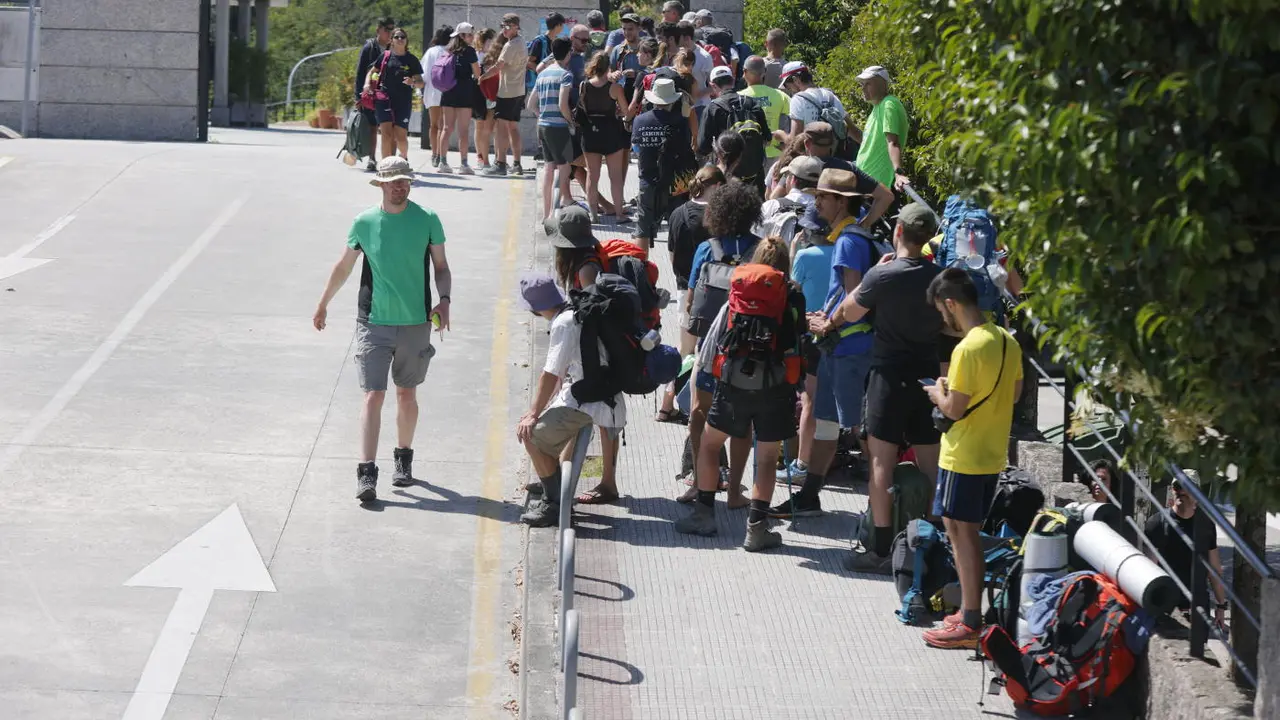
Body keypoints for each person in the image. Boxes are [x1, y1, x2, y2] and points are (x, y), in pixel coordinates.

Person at [312, 157, 452, 503]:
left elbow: (441, 266)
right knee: (373, 395)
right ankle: (367, 472)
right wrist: (323, 302)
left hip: (416, 321)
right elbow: (344, 266)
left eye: (405, 181)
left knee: (406, 394)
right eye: (393, 181)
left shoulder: (427, 219)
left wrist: (444, 300)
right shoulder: (364, 222)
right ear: (382, 184)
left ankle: (403, 458)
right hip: (373, 321)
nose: (400, 186)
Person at [675, 235, 805, 551]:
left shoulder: (740, 288)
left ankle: (704, 515)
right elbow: (797, 338)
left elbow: (719, 334)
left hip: (734, 382)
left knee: (709, 445)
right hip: (776, 385)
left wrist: (704, 374)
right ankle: (756, 529)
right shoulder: (793, 294)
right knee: (767, 457)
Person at [835, 204, 945, 572]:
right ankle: (933, 545)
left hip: (887, 376)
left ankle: (880, 549)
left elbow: (850, 312)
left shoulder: (883, 274)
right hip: (927, 377)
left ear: (897, 231)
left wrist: (870, 276)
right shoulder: (940, 279)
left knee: (881, 462)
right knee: (931, 464)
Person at [920, 267, 1023, 649]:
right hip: (991, 453)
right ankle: (969, 612)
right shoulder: (1006, 340)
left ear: (951, 304)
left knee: (960, 533)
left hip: (963, 454)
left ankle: (970, 620)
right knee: (968, 533)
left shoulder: (966, 348)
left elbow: (954, 409)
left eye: (941, 311)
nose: (943, 320)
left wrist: (938, 392)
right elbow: (1014, 393)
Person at [770, 169, 878, 519]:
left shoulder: (848, 241)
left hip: (848, 347)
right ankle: (809, 497)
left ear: (841, 202)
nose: (816, 202)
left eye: (822, 197)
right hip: (839, 346)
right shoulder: (850, 236)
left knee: (863, 430)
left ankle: (882, 510)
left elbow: (855, 296)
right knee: (829, 422)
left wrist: (828, 322)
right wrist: (826, 316)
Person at [515, 272, 625, 527]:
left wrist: (533, 414)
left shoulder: (563, 323)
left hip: (590, 400)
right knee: (541, 433)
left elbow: (550, 373)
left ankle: (554, 504)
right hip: (599, 394)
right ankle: (554, 488)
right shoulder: (575, 309)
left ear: (536, 307)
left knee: (531, 435)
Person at [678, 181, 763, 505]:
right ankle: (735, 491)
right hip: (748, 351)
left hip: (710, 349)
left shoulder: (707, 249)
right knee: (743, 423)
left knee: (699, 415)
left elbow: (690, 302)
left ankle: (700, 483)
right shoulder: (761, 250)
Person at [775, 156, 830, 480]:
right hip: (838, 330)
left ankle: (801, 462)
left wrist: (794, 252)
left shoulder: (806, 255)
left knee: (807, 399)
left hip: (808, 331)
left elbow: (791, 288)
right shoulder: (845, 250)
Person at [657, 165, 726, 423]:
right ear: (717, 186)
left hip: (684, 286)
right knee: (704, 350)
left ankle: (667, 405)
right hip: (712, 291)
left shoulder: (677, 213)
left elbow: (672, 254)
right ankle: (684, 405)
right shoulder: (717, 218)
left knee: (685, 350)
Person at [1144, 472, 1228, 630]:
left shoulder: (1206, 526)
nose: (1181, 491)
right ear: (1172, 490)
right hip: (1167, 608)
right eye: (1177, 486)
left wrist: (1221, 606)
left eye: (1187, 487)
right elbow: (1148, 570)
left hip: (1197, 607)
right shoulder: (1157, 523)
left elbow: (1214, 570)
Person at [631, 77, 691, 251]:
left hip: (648, 180)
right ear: (673, 100)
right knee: (676, 229)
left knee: (643, 229)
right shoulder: (681, 121)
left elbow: (636, 147)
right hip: (675, 183)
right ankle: (676, 266)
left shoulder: (640, 120)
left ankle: (641, 265)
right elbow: (686, 146)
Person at [698, 66, 770, 191]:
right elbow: (767, 138)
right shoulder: (751, 103)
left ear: (713, 85)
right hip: (755, 175)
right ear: (732, 81)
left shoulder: (712, 109)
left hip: (727, 177)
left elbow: (703, 146)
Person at [528, 37, 576, 221]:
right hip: (558, 127)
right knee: (564, 168)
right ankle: (556, 211)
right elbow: (563, 104)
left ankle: (545, 214)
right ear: (568, 53)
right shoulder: (566, 75)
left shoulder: (543, 74)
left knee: (548, 168)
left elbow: (531, 104)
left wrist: (542, 114)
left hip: (543, 125)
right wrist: (570, 121)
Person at [578, 51, 630, 222]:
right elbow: (625, 111)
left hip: (590, 133)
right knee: (615, 177)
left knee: (592, 176)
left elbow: (582, 108)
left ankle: (593, 215)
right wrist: (617, 111)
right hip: (611, 133)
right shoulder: (615, 88)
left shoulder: (584, 86)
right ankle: (619, 214)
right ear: (608, 67)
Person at [367, 27, 424, 163]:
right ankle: (385, 165)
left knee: (400, 136)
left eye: (402, 37)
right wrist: (366, 84)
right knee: (386, 134)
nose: (400, 39)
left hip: (403, 101)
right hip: (384, 99)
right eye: (396, 37)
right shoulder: (385, 56)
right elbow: (372, 72)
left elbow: (421, 83)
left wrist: (412, 82)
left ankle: (403, 158)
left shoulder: (412, 60)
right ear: (391, 40)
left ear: (406, 40)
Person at [483, 14, 527, 176]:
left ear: (516, 27)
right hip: (519, 91)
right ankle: (517, 164)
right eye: (503, 26)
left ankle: (500, 163)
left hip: (507, 92)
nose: (504, 30)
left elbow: (498, 66)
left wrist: (482, 77)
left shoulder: (510, 45)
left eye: (507, 27)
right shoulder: (522, 42)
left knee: (501, 127)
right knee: (513, 127)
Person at [855, 65, 910, 190]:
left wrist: (899, 173)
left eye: (868, 83)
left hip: (876, 184)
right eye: (862, 84)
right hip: (865, 179)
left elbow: (893, 142)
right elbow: (867, 142)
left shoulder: (889, 104)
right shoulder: (877, 107)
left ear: (883, 84)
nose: (863, 88)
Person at [437, 22, 482, 175]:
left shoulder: (448, 50)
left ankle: (442, 162)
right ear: (463, 36)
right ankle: (464, 164)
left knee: (446, 128)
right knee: (463, 130)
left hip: (448, 92)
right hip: (464, 94)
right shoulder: (469, 51)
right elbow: (477, 73)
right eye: (470, 35)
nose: (472, 37)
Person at [779, 62, 850, 156]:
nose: (788, 89)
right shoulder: (830, 96)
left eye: (787, 85)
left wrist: (781, 135)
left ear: (796, 79)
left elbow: (794, 140)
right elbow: (850, 129)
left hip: (811, 158)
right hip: (835, 156)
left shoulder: (798, 99)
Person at [354, 17, 396, 171]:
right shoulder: (370, 47)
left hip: (389, 93)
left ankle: (391, 159)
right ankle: (372, 159)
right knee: (372, 126)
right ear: (378, 30)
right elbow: (360, 73)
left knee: (391, 127)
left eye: (392, 30)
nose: (389, 33)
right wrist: (358, 96)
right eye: (387, 30)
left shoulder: (394, 47)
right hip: (372, 93)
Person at [739, 55, 791, 177]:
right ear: (764, 72)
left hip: (748, 154)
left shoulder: (738, 97)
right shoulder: (780, 96)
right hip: (775, 153)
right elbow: (790, 121)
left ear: (745, 72)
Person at [422, 26, 452, 169]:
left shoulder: (431, 52)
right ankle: (441, 155)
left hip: (432, 92)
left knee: (433, 125)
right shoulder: (451, 51)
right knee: (443, 126)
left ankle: (434, 154)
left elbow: (424, 73)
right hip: (447, 92)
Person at [471, 28, 500, 170]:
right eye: (490, 41)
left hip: (489, 93)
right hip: (480, 93)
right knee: (481, 125)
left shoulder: (494, 56)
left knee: (490, 126)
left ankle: (491, 157)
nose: (493, 44)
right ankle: (481, 156)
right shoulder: (477, 56)